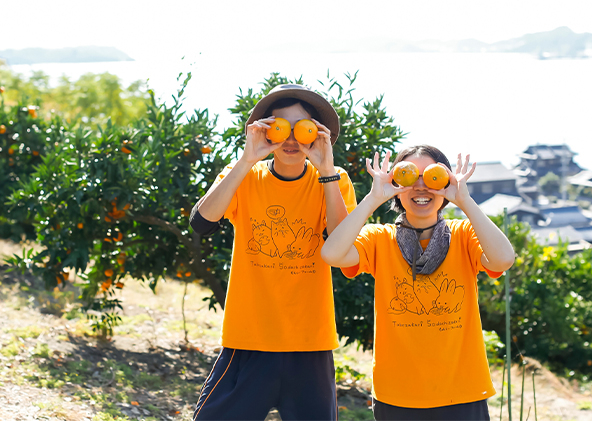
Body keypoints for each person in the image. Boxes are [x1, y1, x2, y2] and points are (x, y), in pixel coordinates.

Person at [189, 84, 357, 420]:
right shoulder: (245, 176)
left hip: (310, 342)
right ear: (266, 130)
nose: (292, 139)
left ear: (317, 133)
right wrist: (248, 158)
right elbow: (202, 222)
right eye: (281, 127)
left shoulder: (335, 179)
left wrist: (326, 173)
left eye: (303, 129)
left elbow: (342, 248)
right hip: (249, 338)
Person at [321, 145, 515, 420]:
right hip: (397, 395)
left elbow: (503, 259)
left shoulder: (463, 235)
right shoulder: (379, 238)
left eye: (432, 176)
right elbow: (332, 254)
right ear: (397, 183)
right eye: (410, 176)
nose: (422, 186)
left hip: (462, 392)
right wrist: (374, 197)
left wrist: (465, 201)